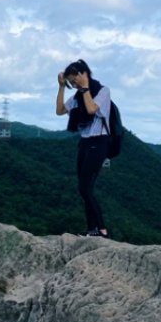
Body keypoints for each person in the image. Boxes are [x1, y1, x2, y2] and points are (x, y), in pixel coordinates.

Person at [56, 59, 111, 238]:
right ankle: (91, 229)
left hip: (99, 142)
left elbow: (91, 109)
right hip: (85, 143)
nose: (74, 84)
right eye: (71, 82)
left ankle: (101, 229)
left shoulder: (103, 91)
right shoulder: (78, 96)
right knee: (84, 189)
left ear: (84, 74)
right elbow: (59, 111)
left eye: (75, 80)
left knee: (85, 188)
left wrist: (85, 87)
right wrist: (62, 87)